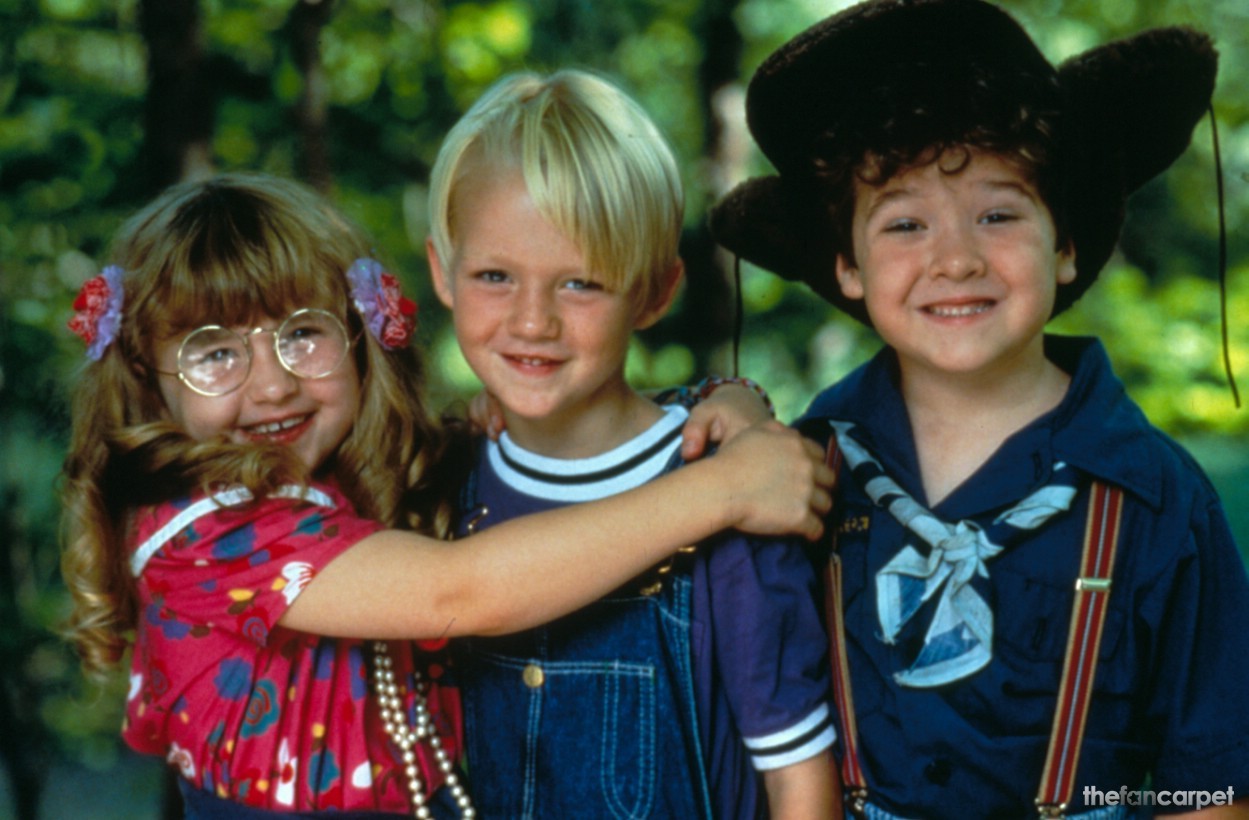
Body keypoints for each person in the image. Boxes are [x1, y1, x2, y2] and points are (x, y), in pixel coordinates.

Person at [59, 172, 836, 819]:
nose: (272, 384)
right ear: (144, 376)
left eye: (302, 334)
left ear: (359, 332)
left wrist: (724, 400)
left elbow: (607, 431)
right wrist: (721, 489)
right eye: (214, 354)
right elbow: (459, 592)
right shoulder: (202, 532)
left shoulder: (358, 481)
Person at [708, 0, 1249, 817]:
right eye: (903, 223)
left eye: (997, 214)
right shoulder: (797, 473)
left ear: (1064, 242)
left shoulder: (1155, 498)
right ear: (845, 266)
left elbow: (1209, 784)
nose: (955, 257)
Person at [425, 69, 838, 820]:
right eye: (494, 276)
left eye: (580, 283)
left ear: (655, 291)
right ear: (441, 272)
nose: (531, 321)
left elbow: (797, 781)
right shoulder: (439, 482)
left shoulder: (733, 486)